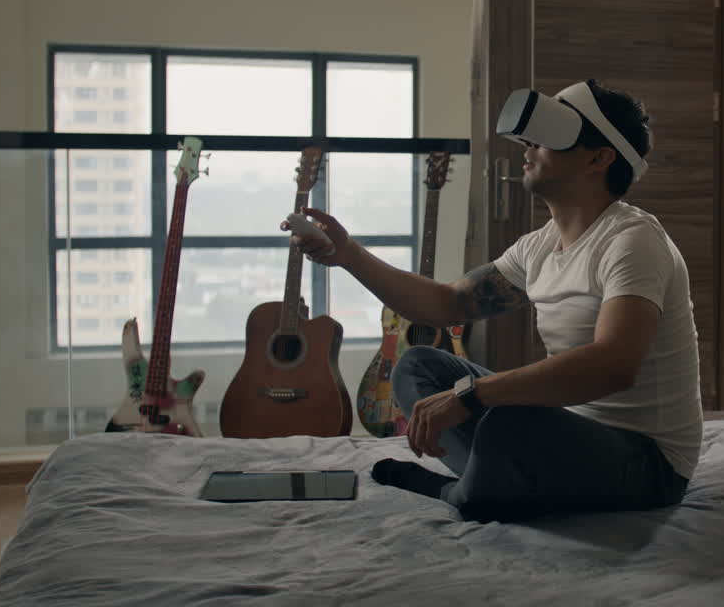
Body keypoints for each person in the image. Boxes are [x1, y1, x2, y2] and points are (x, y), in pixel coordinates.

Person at [285, 79, 702, 521]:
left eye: (549, 137)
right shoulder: (539, 246)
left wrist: (473, 396)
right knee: (419, 366)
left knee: (508, 420)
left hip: (648, 465)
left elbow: (613, 365)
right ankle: (490, 482)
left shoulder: (633, 241)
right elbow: (447, 305)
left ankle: (460, 492)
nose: (528, 146)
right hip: (573, 437)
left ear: (598, 158)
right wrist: (349, 255)